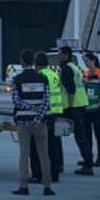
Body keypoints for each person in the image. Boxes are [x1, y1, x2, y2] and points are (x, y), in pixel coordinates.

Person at [10, 49, 54, 196]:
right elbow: (47, 101)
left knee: (24, 155)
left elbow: (16, 100)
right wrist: (37, 117)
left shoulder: (17, 79)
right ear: (33, 62)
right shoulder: (43, 79)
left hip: (23, 122)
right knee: (44, 154)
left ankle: (24, 187)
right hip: (40, 123)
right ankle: (47, 187)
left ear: (22, 61)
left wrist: (29, 109)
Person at [59, 46, 92, 175]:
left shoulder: (67, 68)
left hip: (72, 106)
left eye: (60, 54)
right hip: (80, 104)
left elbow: (70, 89)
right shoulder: (75, 67)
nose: (58, 56)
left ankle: (87, 165)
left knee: (79, 136)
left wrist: (71, 107)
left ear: (66, 55)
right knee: (81, 136)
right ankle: (87, 161)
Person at [31, 51, 63, 183]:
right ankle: (55, 174)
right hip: (56, 112)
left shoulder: (41, 76)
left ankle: (38, 174)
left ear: (36, 64)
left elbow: (38, 97)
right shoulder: (53, 74)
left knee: (38, 146)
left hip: (45, 113)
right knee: (53, 147)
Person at [82, 52, 100, 167]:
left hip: (96, 108)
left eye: (86, 60)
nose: (85, 63)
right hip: (86, 108)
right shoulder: (85, 73)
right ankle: (88, 157)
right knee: (87, 134)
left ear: (92, 60)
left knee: (97, 132)